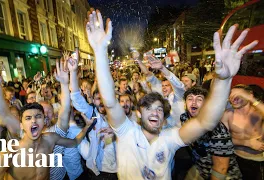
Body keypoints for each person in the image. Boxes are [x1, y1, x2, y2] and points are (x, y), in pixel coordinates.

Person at [86, 9, 258, 179]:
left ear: (164, 117)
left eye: (159, 109)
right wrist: (99, 51)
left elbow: (205, 122)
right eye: (149, 108)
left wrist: (223, 79)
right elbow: (109, 101)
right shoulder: (126, 131)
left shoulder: (169, 138)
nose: (155, 112)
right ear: (138, 113)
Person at [0, 58, 94, 180]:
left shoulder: (52, 137)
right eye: (28, 118)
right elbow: (3, 114)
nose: (33, 121)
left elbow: (66, 113)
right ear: (21, 124)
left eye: (39, 116)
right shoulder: (9, 153)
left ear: (44, 120)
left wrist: (64, 83)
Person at [68, 49, 118, 179]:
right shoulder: (93, 114)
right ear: (93, 101)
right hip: (98, 170)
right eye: (97, 98)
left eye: (104, 97)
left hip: (119, 170)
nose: (101, 101)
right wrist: (73, 72)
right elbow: (76, 98)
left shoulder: (120, 115)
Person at [180, 87, 242, 180]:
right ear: (185, 103)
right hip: (200, 168)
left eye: (199, 99)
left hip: (225, 175)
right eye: (190, 98)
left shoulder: (216, 129)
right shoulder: (184, 118)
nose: (194, 102)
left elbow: (221, 168)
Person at [221, 84, 264, 180]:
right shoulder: (228, 114)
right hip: (236, 158)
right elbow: (223, 139)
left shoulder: (259, 112)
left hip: (257, 160)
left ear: (250, 95)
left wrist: (252, 99)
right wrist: (247, 143)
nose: (233, 99)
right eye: (231, 96)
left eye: (238, 95)